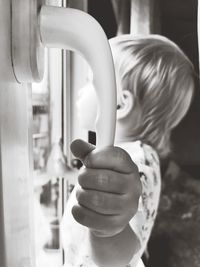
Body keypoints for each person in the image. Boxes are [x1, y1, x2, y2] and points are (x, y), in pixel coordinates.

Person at [60, 34, 195, 267]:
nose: (81, 91)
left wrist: (108, 233)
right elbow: (103, 194)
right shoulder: (140, 156)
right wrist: (67, 174)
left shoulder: (134, 163)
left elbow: (120, 253)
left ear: (120, 104)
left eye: (89, 81)